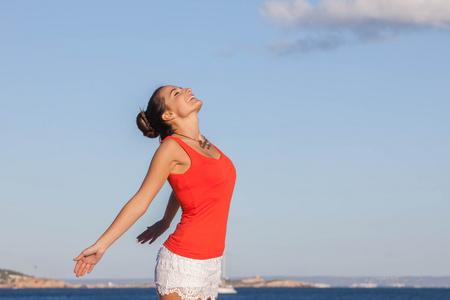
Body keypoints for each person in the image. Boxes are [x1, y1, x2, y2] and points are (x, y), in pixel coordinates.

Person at [73, 85, 237, 300]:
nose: (187, 89)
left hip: (211, 263)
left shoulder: (205, 143)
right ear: (168, 115)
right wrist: (101, 245)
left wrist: (166, 220)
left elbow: (187, 186)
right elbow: (141, 200)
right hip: (184, 263)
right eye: (176, 93)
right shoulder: (170, 148)